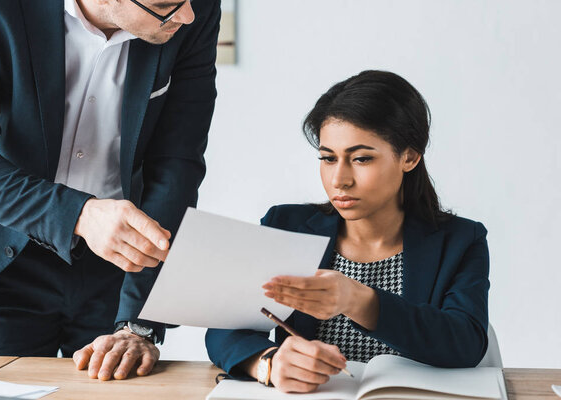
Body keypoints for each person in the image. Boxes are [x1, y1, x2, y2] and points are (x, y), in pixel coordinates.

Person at [0, 0, 219, 380]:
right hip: (5, 258)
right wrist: (78, 214)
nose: (187, 16)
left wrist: (138, 321)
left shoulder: (194, 11)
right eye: (166, 6)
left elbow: (178, 163)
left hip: (122, 266)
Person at [205, 70, 490, 393]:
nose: (339, 179)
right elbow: (224, 329)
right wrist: (267, 363)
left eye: (361, 158)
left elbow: (466, 343)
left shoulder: (460, 241)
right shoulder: (286, 225)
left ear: (409, 156)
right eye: (328, 158)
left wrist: (359, 300)